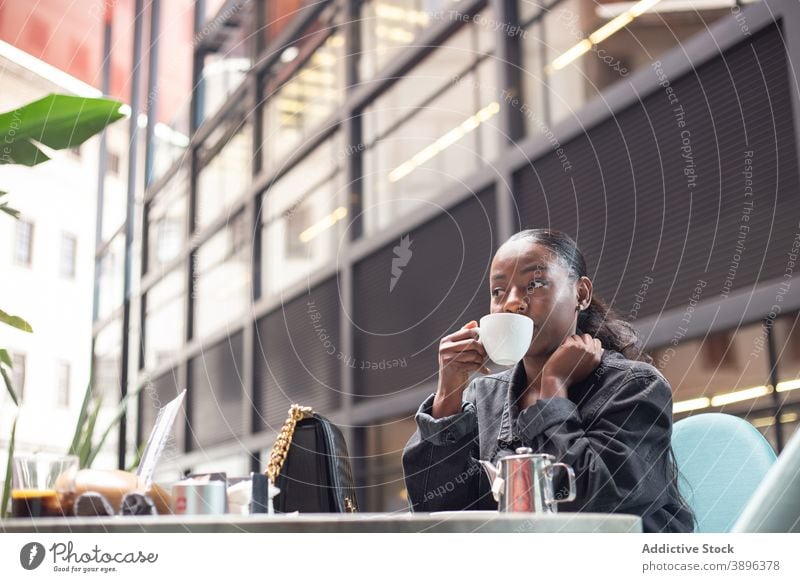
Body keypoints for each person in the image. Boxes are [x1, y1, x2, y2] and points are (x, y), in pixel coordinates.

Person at [402, 228, 694, 532]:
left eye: (535, 284)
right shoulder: (482, 395)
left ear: (581, 294)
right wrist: (448, 394)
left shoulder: (634, 386)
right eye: (498, 291)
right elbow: (435, 515)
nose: (511, 303)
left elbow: (593, 513)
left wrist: (553, 388)